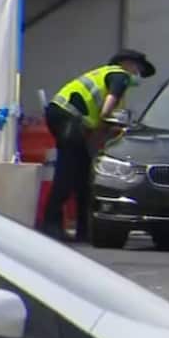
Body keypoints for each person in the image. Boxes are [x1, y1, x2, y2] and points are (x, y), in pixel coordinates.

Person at [42, 50, 155, 242]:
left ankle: (83, 230)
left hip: (66, 118)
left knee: (83, 176)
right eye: (137, 68)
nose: (137, 74)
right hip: (68, 118)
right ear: (126, 63)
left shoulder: (105, 76)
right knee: (67, 174)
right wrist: (114, 121)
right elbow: (106, 110)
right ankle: (50, 226)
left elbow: (97, 126)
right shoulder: (120, 75)